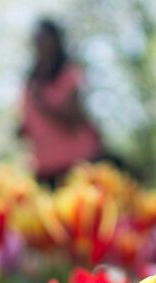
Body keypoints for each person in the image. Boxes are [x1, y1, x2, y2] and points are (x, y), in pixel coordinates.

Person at [19, 19, 103, 187]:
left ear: (57, 41)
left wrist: (43, 105)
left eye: (46, 39)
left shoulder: (69, 73)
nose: (41, 45)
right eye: (38, 40)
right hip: (43, 166)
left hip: (75, 163)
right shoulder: (30, 81)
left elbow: (73, 120)